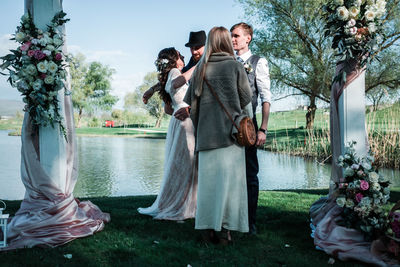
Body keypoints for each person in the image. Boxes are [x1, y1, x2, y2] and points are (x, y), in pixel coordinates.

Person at [183, 26, 253, 243]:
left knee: (208, 188)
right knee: (230, 188)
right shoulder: (235, 66)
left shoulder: (200, 69)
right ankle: (225, 232)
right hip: (231, 138)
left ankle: (206, 230)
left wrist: (202, 125)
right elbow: (246, 99)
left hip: (207, 137)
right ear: (225, 41)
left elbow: (191, 106)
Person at [137, 47, 197, 220]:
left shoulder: (170, 73)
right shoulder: (176, 72)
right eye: (179, 55)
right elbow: (177, 83)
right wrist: (200, 65)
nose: (183, 56)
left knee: (180, 165)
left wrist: (152, 89)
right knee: (186, 165)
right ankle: (182, 205)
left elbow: (168, 109)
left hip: (177, 122)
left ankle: (179, 201)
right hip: (185, 122)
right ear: (174, 59)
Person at [230, 22, 271, 235]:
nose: (233, 39)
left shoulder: (258, 62)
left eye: (237, 36)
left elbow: (265, 97)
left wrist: (262, 129)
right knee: (229, 173)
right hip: (227, 126)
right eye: (231, 36)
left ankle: (250, 221)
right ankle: (231, 218)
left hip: (248, 125)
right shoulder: (228, 62)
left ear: (248, 38)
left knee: (250, 174)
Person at [142, 31, 206, 111]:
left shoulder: (214, 61)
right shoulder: (192, 60)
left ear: (206, 46)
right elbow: (181, 77)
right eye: (191, 48)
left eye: (197, 48)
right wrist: (152, 89)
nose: (193, 52)